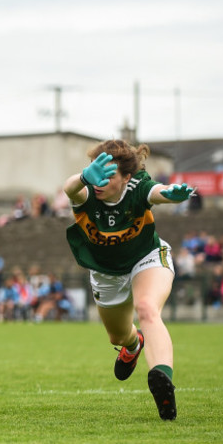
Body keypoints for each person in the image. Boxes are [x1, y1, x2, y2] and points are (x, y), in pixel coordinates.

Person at [64, 139, 195, 421]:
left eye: (108, 176)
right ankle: (133, 345)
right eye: (95, 173)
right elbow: (70, 187)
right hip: (106, 273)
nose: (98, 181)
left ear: (126, 178)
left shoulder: (138, 188)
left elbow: (157, 192)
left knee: (147, 308)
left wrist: (171, 193)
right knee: (118, 335)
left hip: (145, 257)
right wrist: (85, 176)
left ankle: (163, 382)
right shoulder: (86, 192)